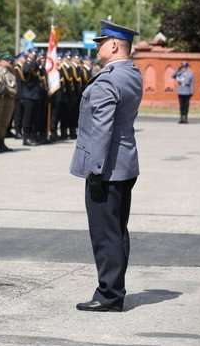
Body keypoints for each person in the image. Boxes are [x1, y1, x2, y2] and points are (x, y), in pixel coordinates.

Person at [70, 20, 142, 312]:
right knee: (117, 230)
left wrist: (96, 170)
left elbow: (101, 130)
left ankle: (109, 294)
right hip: (125, 164)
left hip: (107, 168)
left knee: (105, 233)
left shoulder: (108, 80)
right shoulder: (131, 74)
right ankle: (115, 289)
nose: (97, 47)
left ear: (113, 45)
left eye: (100, 42)